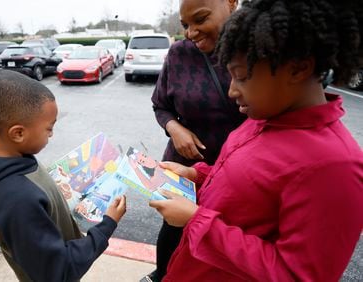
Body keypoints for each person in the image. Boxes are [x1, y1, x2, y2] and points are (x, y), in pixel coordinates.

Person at [149, 0, 363, 280]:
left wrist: (196, 221)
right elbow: (245, 188)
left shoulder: (336, 166)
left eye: (239, 77)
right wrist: (196, 175)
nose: (232, 92)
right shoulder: (262, 119)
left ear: (298, 69)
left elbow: (297, 275)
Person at [0, 70, 127, 282]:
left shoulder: (17, 157)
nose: (52, 134)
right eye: (49, 128)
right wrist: (108, 224)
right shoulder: (17, 200)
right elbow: (58, 271)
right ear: (18, 133)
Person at [147, 0, 245, 280]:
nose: (191, 32)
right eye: (185, 25)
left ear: (231, 3)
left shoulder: (257, 51)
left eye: (200, 19)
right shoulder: (179, 54)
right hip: (188, 168)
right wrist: (174, 128)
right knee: (173, 234)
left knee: (224, 246)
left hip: (237, 173)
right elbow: (160, 105)